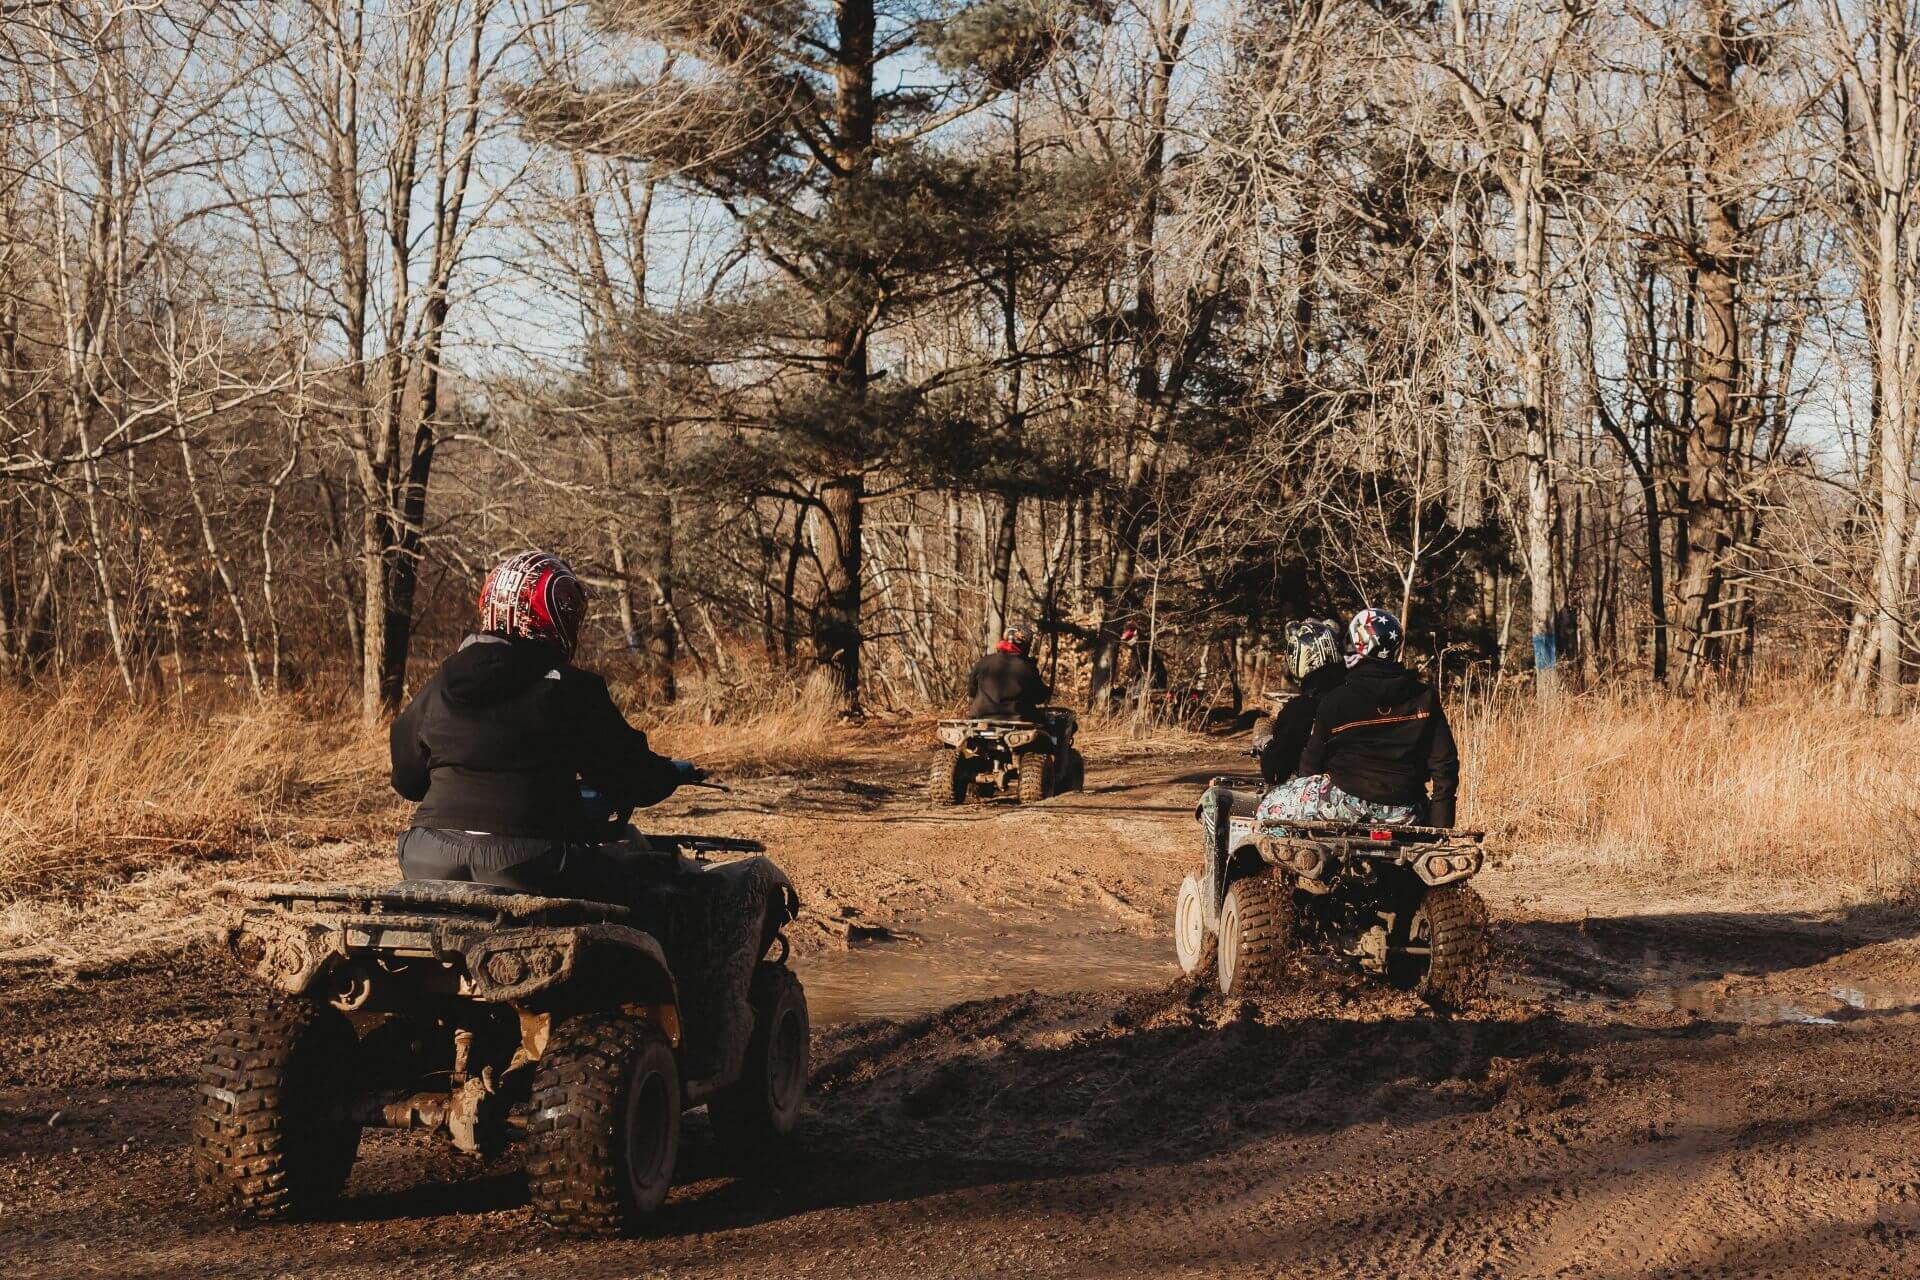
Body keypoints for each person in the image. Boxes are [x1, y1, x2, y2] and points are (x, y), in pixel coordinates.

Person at [388, 550, 703, 894]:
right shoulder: (572, 689)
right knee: (659, 882)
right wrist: (670, 772)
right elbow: (632, 778)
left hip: (427, 855)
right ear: (549, 619)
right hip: (530, 861)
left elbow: (407, 781)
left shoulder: (439, 684)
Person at [1257, 607, 1459, 829]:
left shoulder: (1336, 700)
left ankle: (1289, 862)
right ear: (1397, 644)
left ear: (1356, 644)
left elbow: (1309, 767)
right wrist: (1440, 828)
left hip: (1346, 805)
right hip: (1407, 811)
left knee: (1268, 808)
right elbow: (1445, 767)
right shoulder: (1425, 698)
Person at [1252, 619, 1346, 785]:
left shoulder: (1301, 709)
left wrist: (1268, 748)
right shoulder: (1363, 693)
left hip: (1328, 799)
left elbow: (1275, 773)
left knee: (1215, 796)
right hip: (1386, 795)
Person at [967, 623, 1051, 720]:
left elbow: (971, 692)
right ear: (1025, 645)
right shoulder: (1027, 668)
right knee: (1051, 725)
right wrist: (1046, 691)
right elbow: (1038, 697)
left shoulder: (983, 662)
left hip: (980, 718)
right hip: (1017, 719)